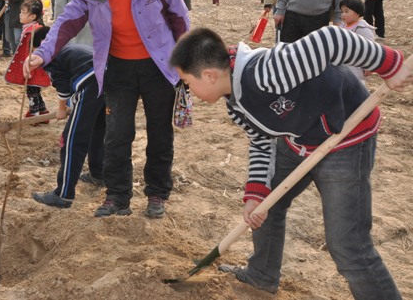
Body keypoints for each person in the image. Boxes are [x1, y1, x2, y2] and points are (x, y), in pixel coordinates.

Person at [170, 26, 410, 299]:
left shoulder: (266, 72)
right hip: (299, 137)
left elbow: (332, 39)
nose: (189, 91)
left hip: (346, 136)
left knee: (347, 245)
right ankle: (261, 275)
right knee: (266, 205)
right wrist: (256, 193)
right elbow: (262, 141)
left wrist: (390, 65)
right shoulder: (235, 104)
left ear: (209, 75)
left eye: (187, 83)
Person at [24, 0, 190, 219]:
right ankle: (117, 196)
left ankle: (156, 193)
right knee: (117, 134)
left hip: (158, 64)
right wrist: (43, 52)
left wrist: (186, 59)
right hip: (117, 67)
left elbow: (179, 17)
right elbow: (69, 19)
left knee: (159, 132)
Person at [31, 27, 106, 208]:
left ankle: (63, 194)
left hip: (90, 82)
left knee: (72, 138)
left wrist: (61, 109)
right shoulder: (69, 48)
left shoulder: (50, 56)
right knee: (97, 130)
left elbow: (63, 86)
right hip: (108, 79)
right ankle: (98, 174)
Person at [4, 0, 51, 118]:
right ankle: (42, 110)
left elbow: (28, 51)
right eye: (21, 12)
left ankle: (34, 112)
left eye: (23, 12)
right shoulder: (32, 28)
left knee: (31, 90)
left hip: (32, 66)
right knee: (35, 89)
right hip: (35, 65)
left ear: (32, 17)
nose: (20, 14)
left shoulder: (32, 32)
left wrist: (29, 67)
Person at [339, 0, 376, 82]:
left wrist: (369, 66)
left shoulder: (362, 29)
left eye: (346, 11)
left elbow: (370, 48)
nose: (343, 14)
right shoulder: (341, 27)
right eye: (342, 11)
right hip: (342, 68)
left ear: (357, 13)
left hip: (356, 70)